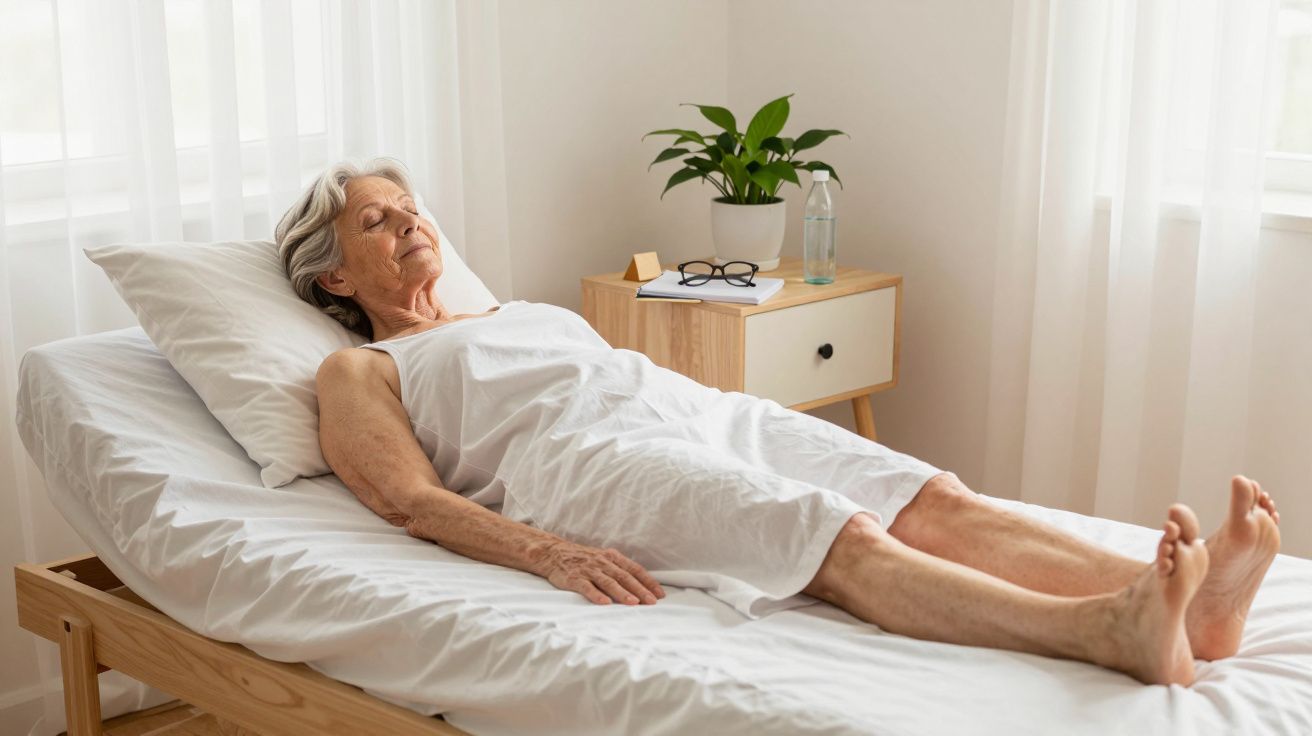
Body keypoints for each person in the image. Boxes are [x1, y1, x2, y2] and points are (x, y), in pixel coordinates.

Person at [275, 158, 1282, 687]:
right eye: (377, 220)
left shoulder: (513, 311)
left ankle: (1188, 611)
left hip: (698, 410)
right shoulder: (360, 365)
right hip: (588, 464)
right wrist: (546, 552)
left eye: (412, 208)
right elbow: (408, 499)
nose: (411, 224)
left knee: (923, 493)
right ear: (333, 273)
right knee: (828, 530)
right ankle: (1103, 631)